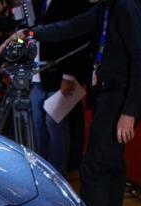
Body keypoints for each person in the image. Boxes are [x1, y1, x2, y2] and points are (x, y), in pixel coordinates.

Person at [0, 0, 141, 206]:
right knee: (112, 164)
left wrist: (130, 112)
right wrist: (29, 34)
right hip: (110, 93)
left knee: (95, 166)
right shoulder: (109, 6)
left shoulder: (127, 6)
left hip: (120, 97)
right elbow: (72, 27)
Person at [28, 0, 94, 175]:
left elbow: (75, 36)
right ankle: (39, 169)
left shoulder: (73, 4)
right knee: (37, 122)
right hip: (38, 73)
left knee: (54, 123)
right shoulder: (37, 3)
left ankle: (57, 174)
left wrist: (69, 76)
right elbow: (32, 29)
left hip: (62, 73)